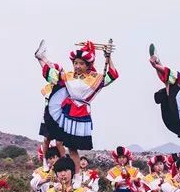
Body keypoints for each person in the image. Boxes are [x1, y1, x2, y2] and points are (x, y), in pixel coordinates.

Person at [36, 40, 119, 171]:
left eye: (81, 63)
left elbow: (112, 75)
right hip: (67, 112)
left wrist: (108, 58)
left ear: (87, 65)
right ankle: (56, 166)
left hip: (81, 114)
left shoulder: (95, 78)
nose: (77, 66)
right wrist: (41, 59)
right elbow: (51, 74)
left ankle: (77, 175)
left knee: (73, 148)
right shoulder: (68, 76)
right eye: (75, 63)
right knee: (56, 140)